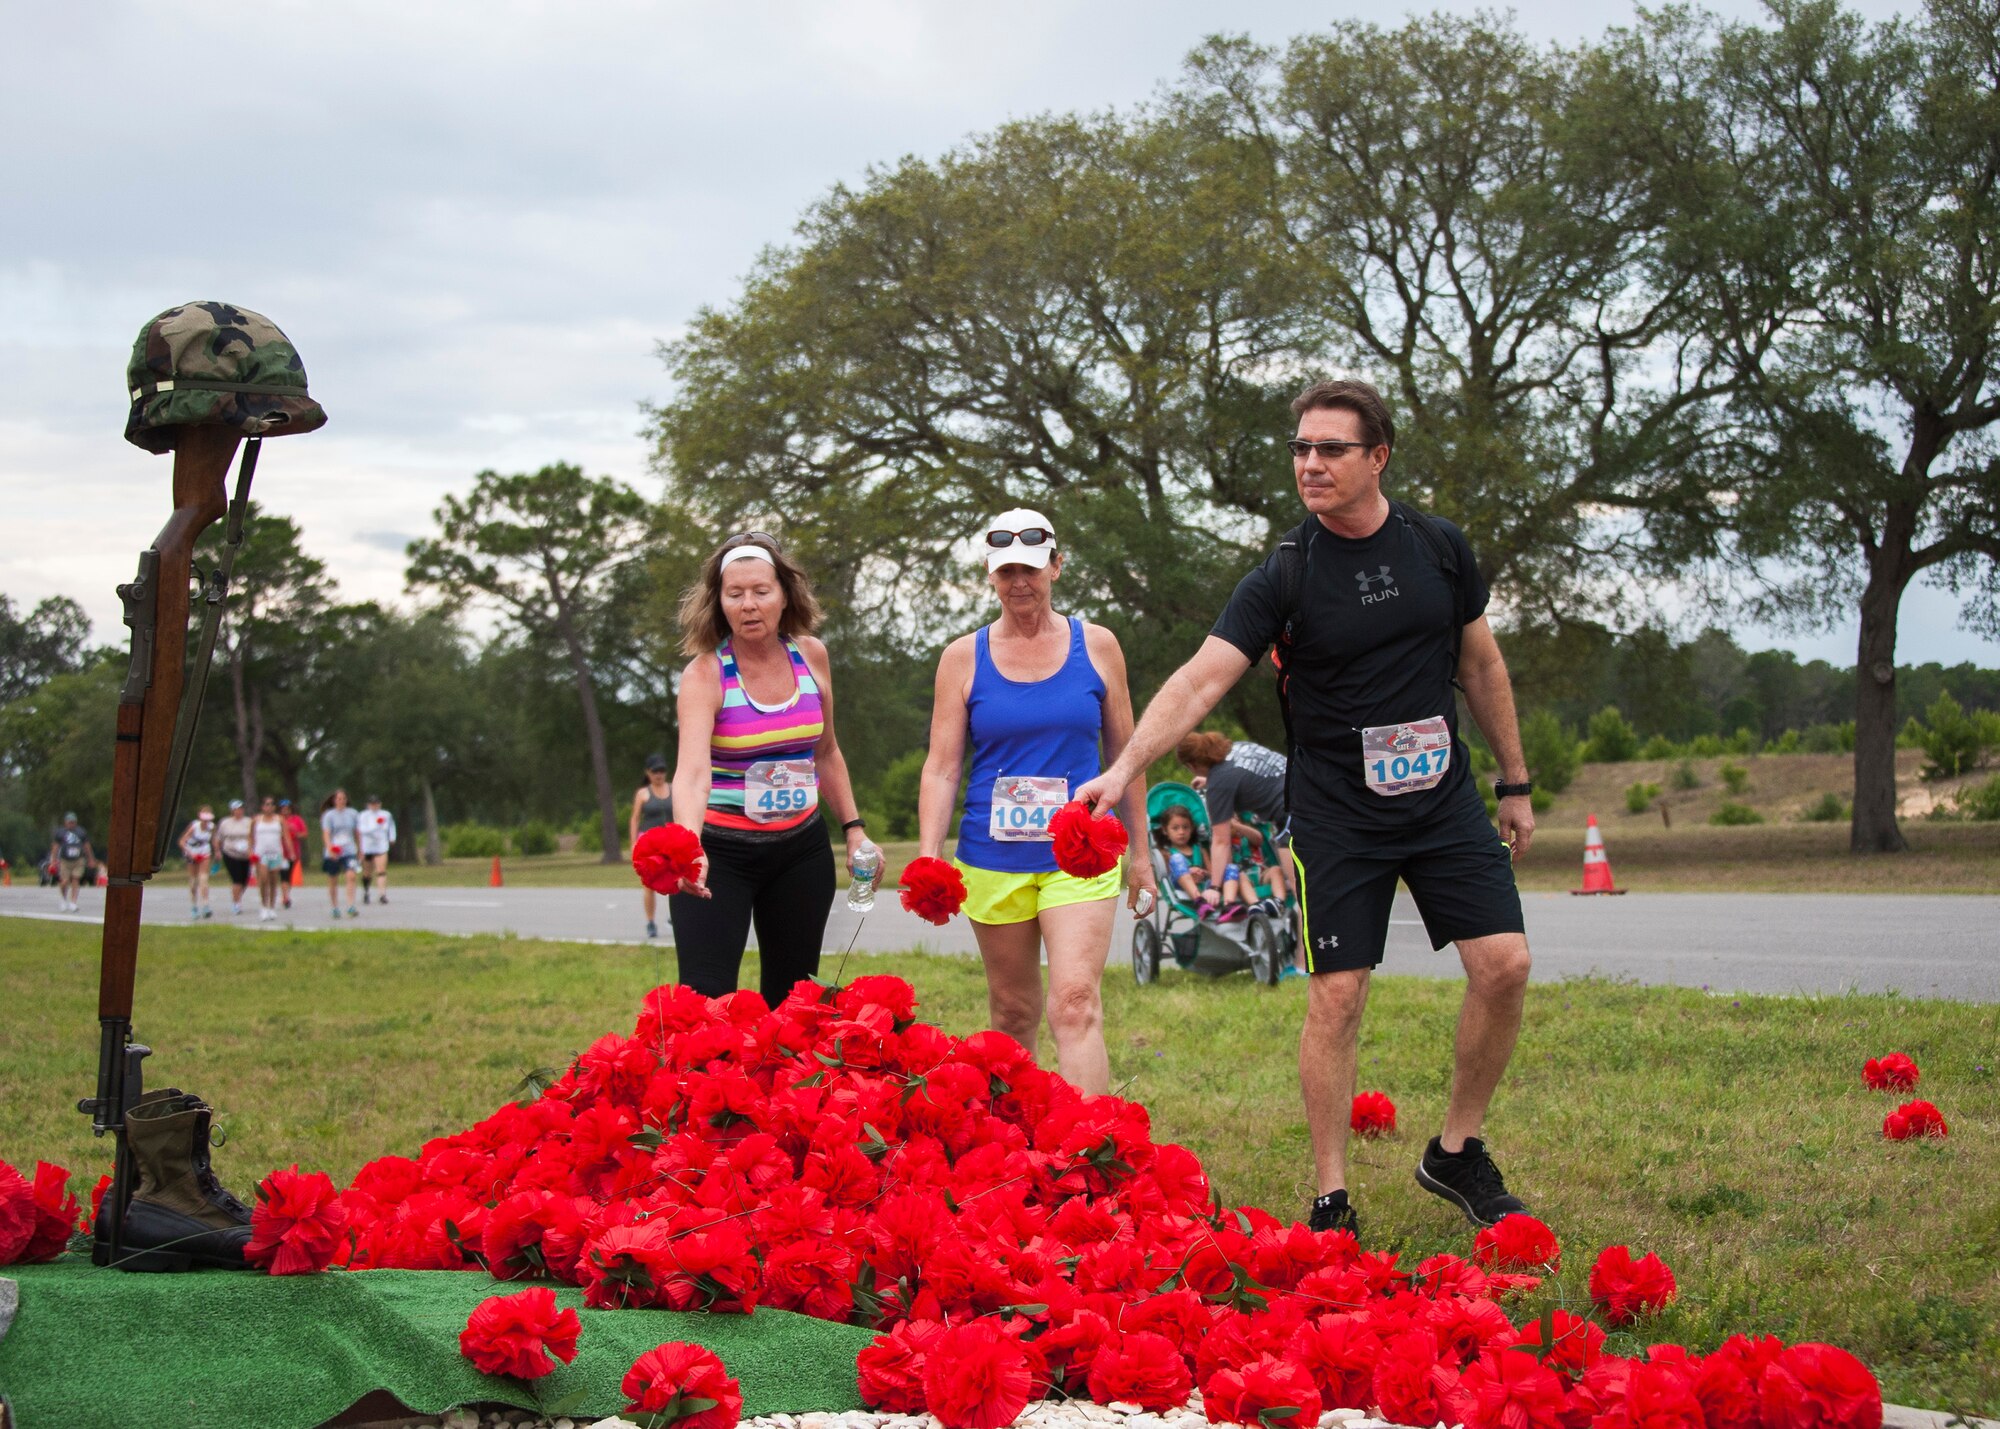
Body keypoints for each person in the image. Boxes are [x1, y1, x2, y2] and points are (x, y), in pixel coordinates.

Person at [1078, 378, 1539, 1238]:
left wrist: (1513, 779)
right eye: (1301, 448)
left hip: (1443, 801)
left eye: (1331, 448)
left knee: (1505, 965)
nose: (1311, 463)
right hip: (1336, 812)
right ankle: (1332, 1196)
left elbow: (1481, 666)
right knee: (1338, 994)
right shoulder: (1286, 574)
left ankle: (1456, 1151)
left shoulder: (1439, 550)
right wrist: (1124, 766)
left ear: (1378, 457)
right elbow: (1200, 679)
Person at [916, 509, 1157, 1097]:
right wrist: (929, 858)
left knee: (1074, 1002)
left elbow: (1126, 755)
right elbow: (943, 766)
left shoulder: (1097, 645)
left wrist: (1143, 855)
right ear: (990, 576)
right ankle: (1014, 1156)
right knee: (1013, 1012)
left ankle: (1090, 1150)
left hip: (1081, 852)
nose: (1018, 581)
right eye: (1006, 572)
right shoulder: (961, 657)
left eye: (1030, 568)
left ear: (1056, 566)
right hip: (991, 855)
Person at [667, 532, 871, 1007]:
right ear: (719, 603)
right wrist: (688, 844)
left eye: (761, 591)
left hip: (801, 853)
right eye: (734, 594)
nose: (749, 605)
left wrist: (855, 830)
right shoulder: (705, 674)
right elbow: (692, 774)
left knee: (795, 1004)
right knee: (706, 1003)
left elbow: (826, 752)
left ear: (785, 594)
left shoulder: (811, 655)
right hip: (721, 855)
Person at [1159, 805, 1243, 918]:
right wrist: (1188, 872)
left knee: (1231, 868)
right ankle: (1199, 902)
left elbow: (1213, 874)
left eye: (1185, 827)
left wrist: (1203, 873)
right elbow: (1167, 875)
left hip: (1204, 885)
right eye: (1175, 828)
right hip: (1180, 886)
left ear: (1192, 829)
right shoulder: (1166, 853)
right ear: (1165, 830)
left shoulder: (1200, 850)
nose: (1181, 832)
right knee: (1177, 859)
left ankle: (1229, 905)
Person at [629, 754, 674, 939]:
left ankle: (674, 917)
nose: (659, 774)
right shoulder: (643, 793)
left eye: (662, 770)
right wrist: (633, 843)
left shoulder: (674, 789)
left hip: (671, 842)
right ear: (648, 772)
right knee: (649, 884)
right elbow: (635, 818)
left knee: (676, 881)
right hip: (649, 844)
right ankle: (650, 922)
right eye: (655, 771)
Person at [250, 795, 297, 922]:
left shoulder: (279, 820)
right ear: (262, 806)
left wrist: (291, 852)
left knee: (273, 881)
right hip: (261, 854)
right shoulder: (256, 820)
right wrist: (251, 851)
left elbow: (286, 836)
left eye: (271, 804)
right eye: (266, 804)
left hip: (276, 853)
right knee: (263, 879)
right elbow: (251, 837)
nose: (269, 807)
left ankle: (271, 907)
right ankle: (263, 906)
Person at [321, 789, 362, 919]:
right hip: (334, 851)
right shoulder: (329, 815)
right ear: (334, 801)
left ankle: (351, 905)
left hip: (349, 850)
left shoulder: (353, 813)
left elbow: (357, 832)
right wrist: (330, 848)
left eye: (343, 798)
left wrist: (360, 848)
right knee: (333, 879)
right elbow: (326, 833)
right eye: (338, 799)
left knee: (351, 876)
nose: (341, 801)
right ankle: (334, 907)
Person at [48, 812, 94, 912]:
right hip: (65, 860)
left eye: (73, 822)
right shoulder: (60, 833)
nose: (71, 824)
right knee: (65, 881)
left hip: (78, 859)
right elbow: (55, 847)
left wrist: (90, 859)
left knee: (75, 879)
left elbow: (87, 846)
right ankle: (63, 899)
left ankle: (73, 902)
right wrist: (53, 860)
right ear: (65, 822)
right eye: (69, 822)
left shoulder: (81, 832)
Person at [356, 795, 397, 905]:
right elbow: (362, 830)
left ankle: (382, 894)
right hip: (368, 846)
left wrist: (392, 837)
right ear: (368, 805)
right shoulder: (363, 816)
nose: (375, 806)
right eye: (372, 804)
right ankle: (366, 891)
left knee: (381, 870)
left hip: (381, 846)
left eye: (377, 803)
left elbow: (391, 826)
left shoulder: (386, 815)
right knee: (367, 872)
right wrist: (377, 825)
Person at [216, 798, 254, 916]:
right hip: (230, 853)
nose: (239, 811)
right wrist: (217, 851)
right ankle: (236, 903)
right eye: (236, 809)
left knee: (245, 879)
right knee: (236, 879)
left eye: (240, 809)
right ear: (232, 810)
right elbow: (219, 838)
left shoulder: (249, 821)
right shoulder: (225, 822)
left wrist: (252, 849)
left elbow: (253, 836)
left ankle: (237, 896)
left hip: (245, 854)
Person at [179, 804, 217, 919]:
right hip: (192, 852)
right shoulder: (194, 826)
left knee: (203, 879)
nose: (206, 822)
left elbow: (214, 839)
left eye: (208, 820)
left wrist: (218, 851)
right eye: (204, 820)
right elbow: (182, 842)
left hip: (204, 851)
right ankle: (194, 906)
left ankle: (206, 905)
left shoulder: (211, 827)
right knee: (194, 881)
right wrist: (191, 854)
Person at [279, 798, 307, 909]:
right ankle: (285, 897)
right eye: (283, 809)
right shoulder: (277, 820)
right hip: (280, 851)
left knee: (289, 875)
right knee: (283, 875)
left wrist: (296, 834)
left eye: (287, 809)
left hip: (293, 852)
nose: (285, 811)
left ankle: (286, 894)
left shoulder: (297, 820)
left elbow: (304, 833)